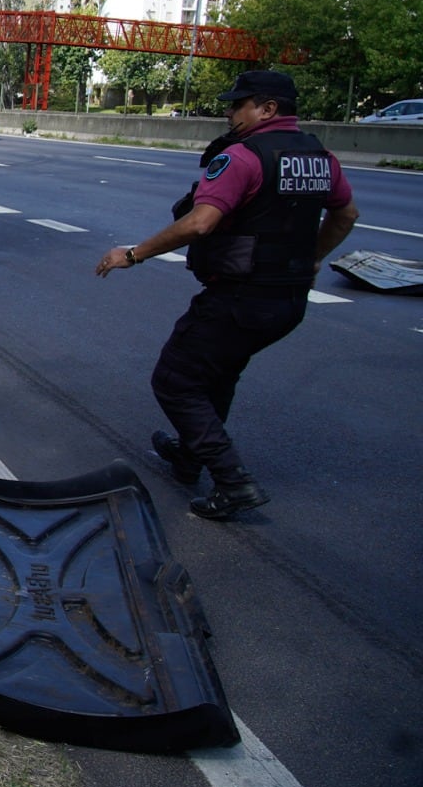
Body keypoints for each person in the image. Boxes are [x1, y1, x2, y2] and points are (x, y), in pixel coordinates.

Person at [95, 70, 358, 520]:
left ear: (267, 108)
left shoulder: (244, 158)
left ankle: (232, 482)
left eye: (239, 105)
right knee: (218, 374)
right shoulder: (321, 158)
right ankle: (188, 455)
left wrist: (133, 254)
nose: (230, 112)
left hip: (240, 297)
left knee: (175, 381)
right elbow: (346, 214)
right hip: (288, 300)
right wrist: (313, 259)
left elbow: (200, 223)